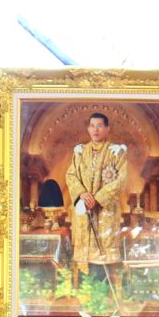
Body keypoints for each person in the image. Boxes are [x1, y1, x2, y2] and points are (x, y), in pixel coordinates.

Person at [65, 112, 131, 292]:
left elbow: (121, 180)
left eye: (100, 125)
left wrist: (98, 198)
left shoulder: (116, 152)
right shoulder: (79, 152)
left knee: (103, 260)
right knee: (87, 265)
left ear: (107, 129)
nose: (95, 129)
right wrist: (82, 194)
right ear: (88, 128)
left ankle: (106, 299)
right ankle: (86, 297)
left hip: (105, 215)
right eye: (92, 125)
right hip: (84, 211)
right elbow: (71, 175)